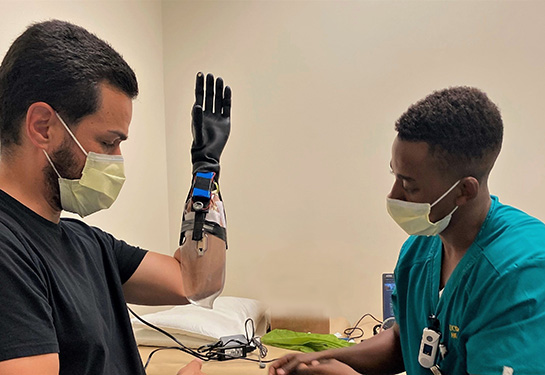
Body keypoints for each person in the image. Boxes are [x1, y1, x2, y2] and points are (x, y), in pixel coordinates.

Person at [0, 20, 231, 375]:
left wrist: (205, 173)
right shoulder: (8, 251)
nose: (117, 160)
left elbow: (198, 284)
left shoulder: (86, 242)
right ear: (43, 126)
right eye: (108, 143)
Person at [269, 87, 545, 375]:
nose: (394, 196)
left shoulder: (522, 275)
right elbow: (406, 338)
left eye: (410, 186)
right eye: (395, 177)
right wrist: (328, 358)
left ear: (464, 190)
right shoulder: (420, 249)